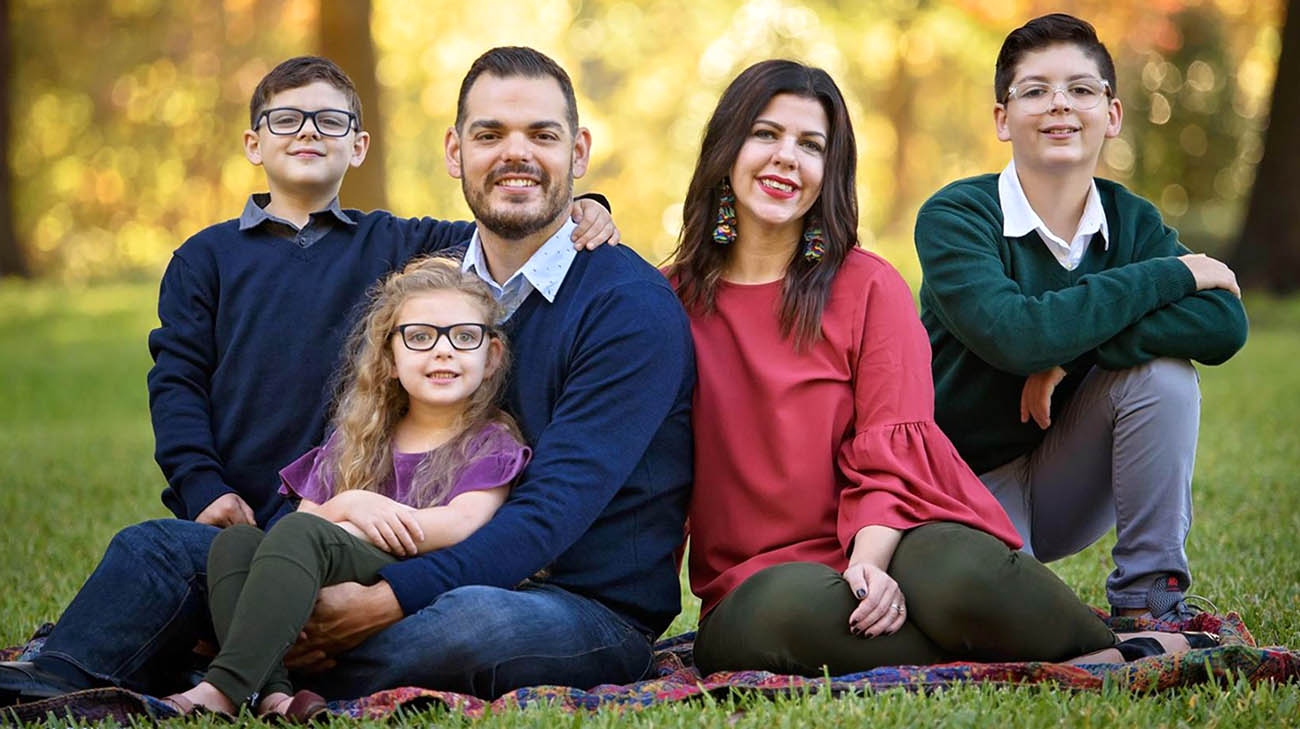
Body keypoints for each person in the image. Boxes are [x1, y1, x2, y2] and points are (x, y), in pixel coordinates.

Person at [1, 46, 692, 707]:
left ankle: (237, 659)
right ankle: (56, 681)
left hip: (569, 598)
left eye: (542, 134)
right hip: (389, 555)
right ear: (456, 154)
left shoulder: (628, 309)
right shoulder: (431, 277)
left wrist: (383, 601)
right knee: (158, 549)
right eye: (490, 134)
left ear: (577, 153)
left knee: (458, 624)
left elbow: (547, 518)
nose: (515, 153)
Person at [667, 59, 1213, 678]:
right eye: (766, 134)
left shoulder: (868, 285)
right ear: (725, 148)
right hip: (758, 581)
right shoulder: (664, 304)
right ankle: (1063, 657)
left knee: (957, 571)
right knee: (774, 614)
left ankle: (1109, 649)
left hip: (889, 539)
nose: (787, 157)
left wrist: (868, 563)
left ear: (830, 171)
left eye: (811, 144)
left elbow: (890, 449)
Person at [912, 14, 1248, 621]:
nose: (1059, 105)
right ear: (1002, 119)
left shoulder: (1132, 220)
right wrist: (1172, 273)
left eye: (1081, 89)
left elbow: (1224, 325)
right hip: (958, 489)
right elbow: (1017, 338)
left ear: (1111, 114)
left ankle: (1149, 602)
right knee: (991, 618)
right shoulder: (956, 217)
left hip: (1065, 477)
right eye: (1035, 90)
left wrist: (1073, 358)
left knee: (1164, 375)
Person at [163, 258, 529, 717]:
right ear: (389, 359)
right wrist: (351, 503)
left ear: (491, 356)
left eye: (464, 337)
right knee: (236, 543)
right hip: (333, 573)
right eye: (419, 337)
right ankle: (275, 694)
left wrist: (355, 519)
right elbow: (300, 526)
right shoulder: (360, 437)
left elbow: (461, 524)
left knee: (302, 536)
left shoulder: (491, 441)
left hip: (409, 580)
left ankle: (224, 687)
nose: (443, 351)